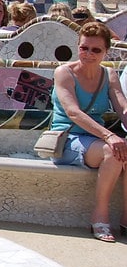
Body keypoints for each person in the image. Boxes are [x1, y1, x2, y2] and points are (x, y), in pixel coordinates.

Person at [51, 22, 127, 242]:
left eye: (96, 50)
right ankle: (99, 215)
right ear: (78, 47)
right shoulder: (64, 73)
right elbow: (73, 112)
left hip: (95, 139)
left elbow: (122, 107)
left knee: (121, 150)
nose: (89, 54)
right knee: (113, 151)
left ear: (106, 52)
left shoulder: (109, 74)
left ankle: (125, 218)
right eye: (84, 48)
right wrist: (110, 136)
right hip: (67, 138)